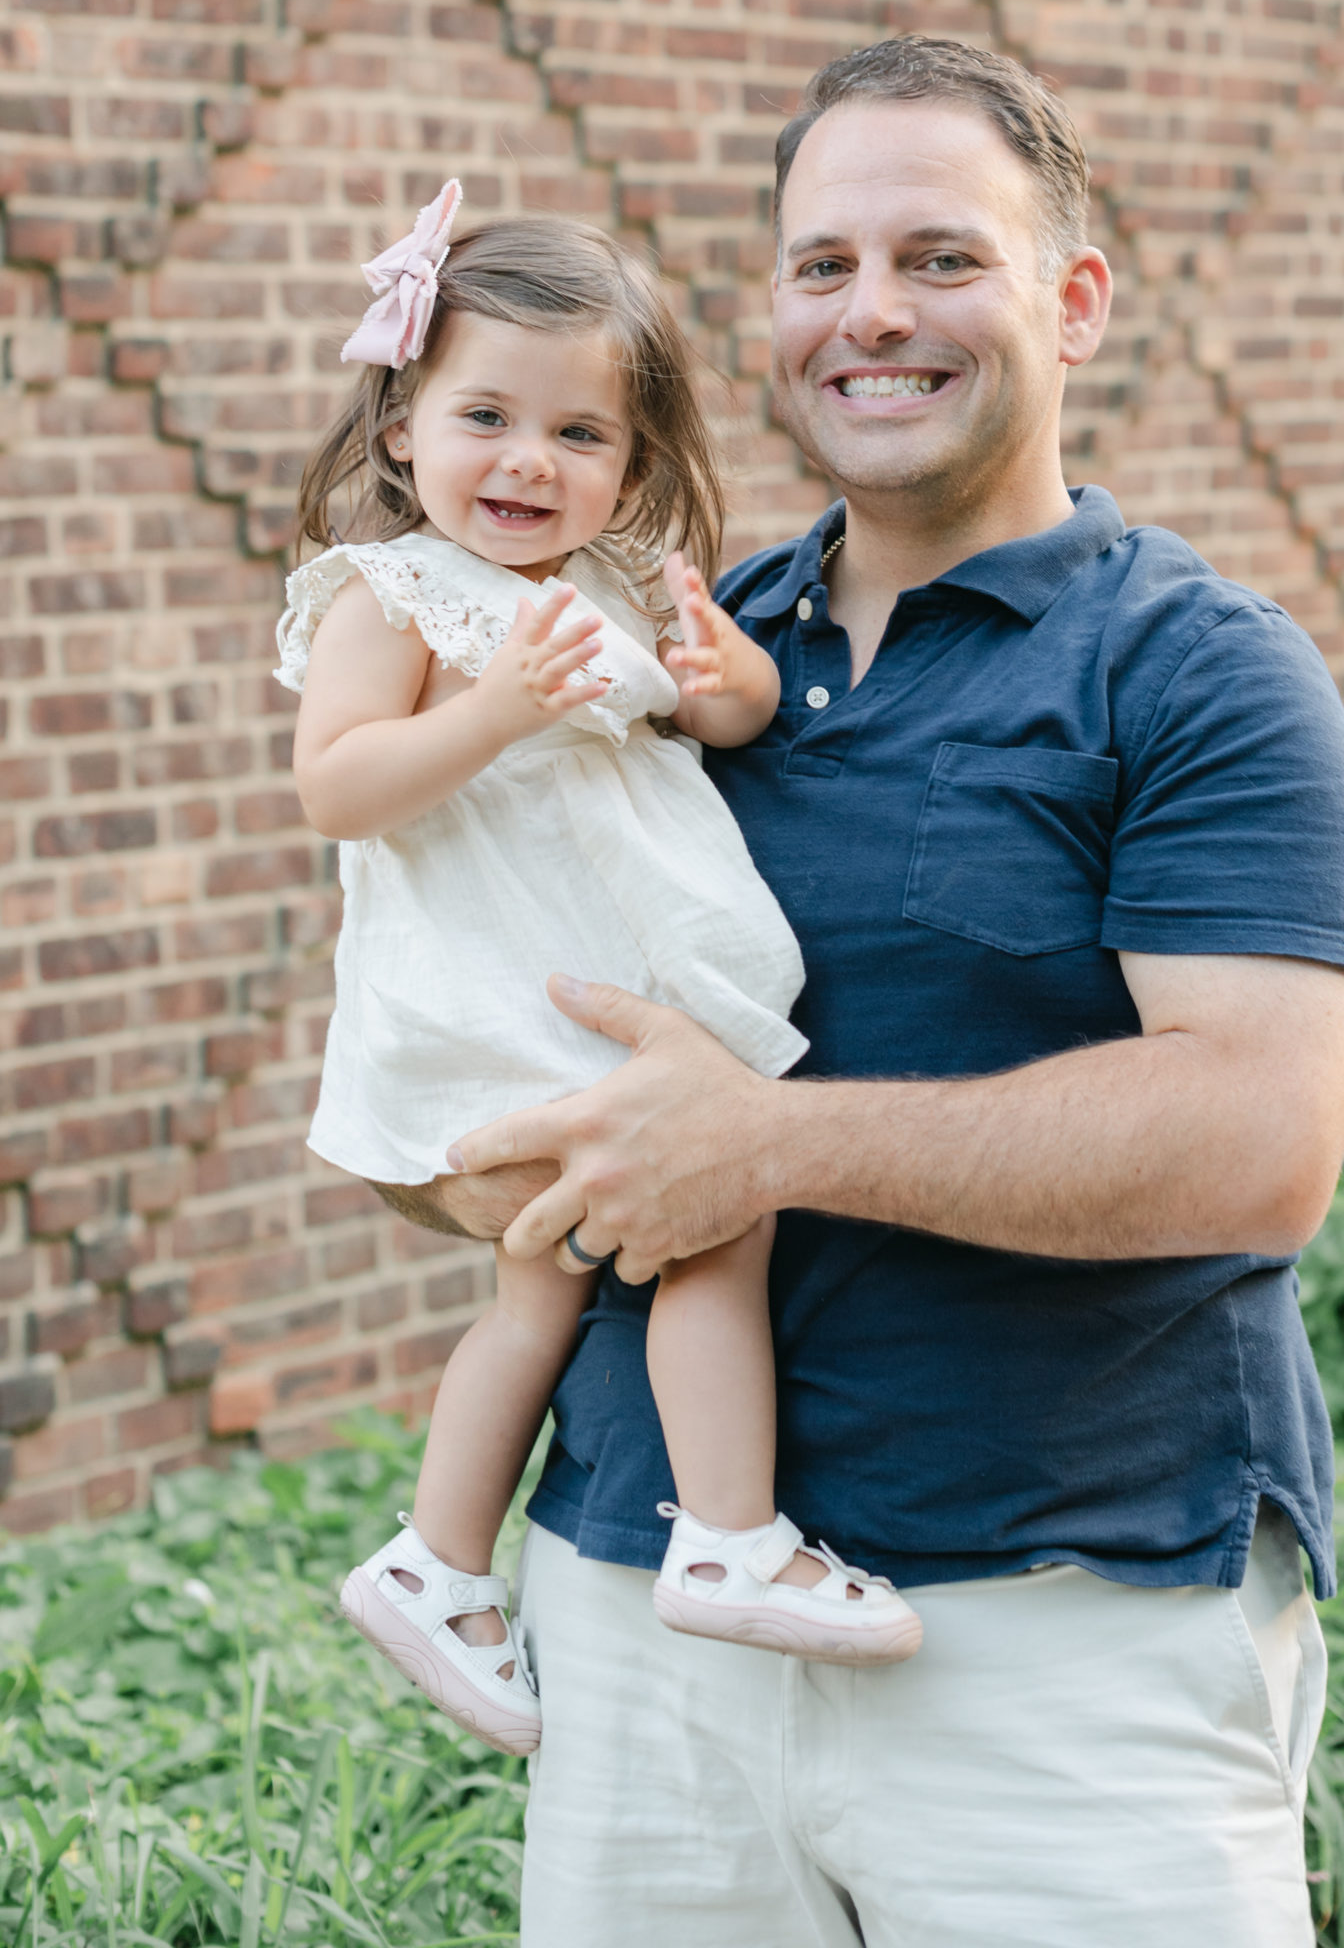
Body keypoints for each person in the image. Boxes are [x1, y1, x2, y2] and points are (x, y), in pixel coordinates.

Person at [432, 36, 1344, 1945]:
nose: (870, 312)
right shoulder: (660, 654)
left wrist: (755, 1146)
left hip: (1065, 1636)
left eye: (940, 258)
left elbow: (1256, 1140)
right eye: (820, 267)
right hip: (642, 1610)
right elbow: (494, 1022)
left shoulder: (1195, 673)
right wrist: (477, 1164)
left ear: (1074, 300)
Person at [276, 187, 924, 1754]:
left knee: (557, 1286)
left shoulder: (621, 584)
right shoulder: (394, 594)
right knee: (710, 1223)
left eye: (581, 436)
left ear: (630, 467)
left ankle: (439, 1561)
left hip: (602, 993)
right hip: (507, 995)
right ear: (398, 427)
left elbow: (723, 720)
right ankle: (726, 1535)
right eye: (485, 416)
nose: (528, 462)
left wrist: (728, 674)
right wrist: (489, 709)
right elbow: (338, 786)